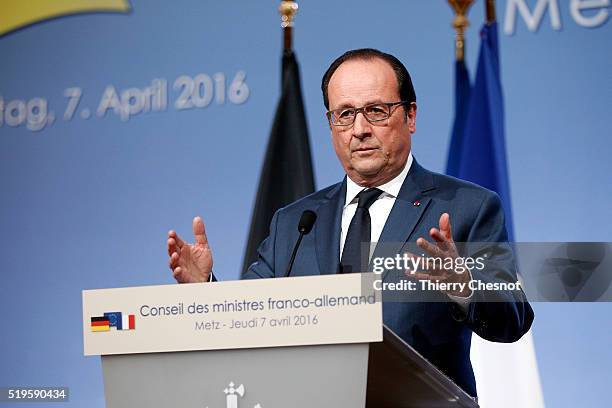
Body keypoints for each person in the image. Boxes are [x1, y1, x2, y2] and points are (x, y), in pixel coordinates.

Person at [167, 48, 534, 398]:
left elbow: (513, 315)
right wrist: (206, 292)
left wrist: (463, 284)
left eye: (375, 110)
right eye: (343, 114)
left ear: (411, 115)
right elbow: (251, 318)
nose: (358, 129)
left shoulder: (467, 207)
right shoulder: (295, 223)